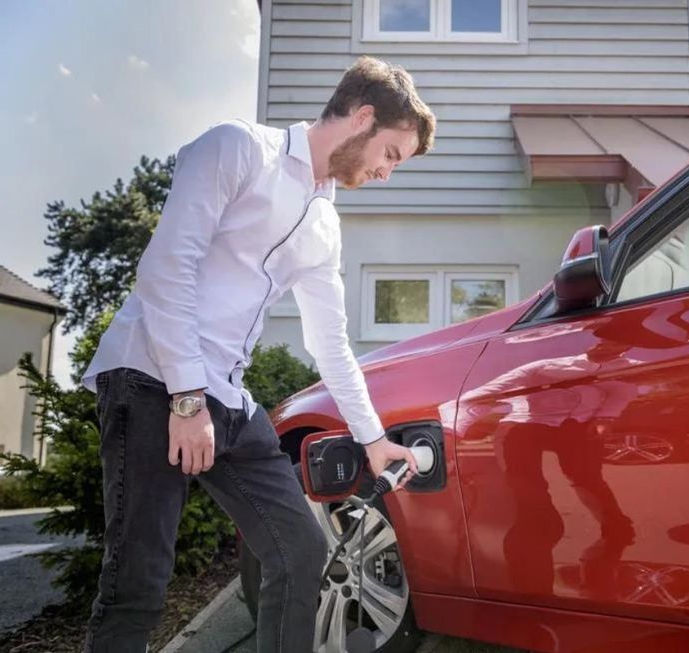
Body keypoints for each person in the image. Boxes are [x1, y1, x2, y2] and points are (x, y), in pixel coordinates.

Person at [79, 56, 436, 653]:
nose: (386, 173)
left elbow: (330, 342)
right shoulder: (239, 148)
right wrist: (186, 398)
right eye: (391, 155)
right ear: (363, 118)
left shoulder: (324, 222)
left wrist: (373, 439)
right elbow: (167, 269)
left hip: (224, 396)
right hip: (150, 376)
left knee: (301, 549)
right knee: (137, 579)